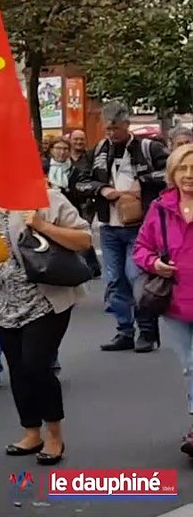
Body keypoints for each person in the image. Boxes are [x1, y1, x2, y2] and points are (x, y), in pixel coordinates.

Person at [0, 182, 91, 467]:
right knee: (19, 369)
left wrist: (42, 225)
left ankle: (54, 435)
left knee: (37, 366)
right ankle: (31, 431)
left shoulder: (44, 196)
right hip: (1, 304)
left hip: (44, 301)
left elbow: (83, 239)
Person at [74, 102, 169, 352]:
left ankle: (147, 331)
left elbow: (170, 172)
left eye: (115, 128)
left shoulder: (148, 147)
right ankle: (124, 330)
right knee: (114, 279)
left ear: (127, 125)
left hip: (141, 226)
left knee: (136, 277)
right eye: (107, 129)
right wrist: (102, 189)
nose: (110, 133)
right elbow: (80, 181)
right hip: (109, 225)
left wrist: (143, 182)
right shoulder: (98, 151)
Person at [133, 143, 193, 456]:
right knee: (190, 366)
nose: (188, 175)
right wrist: (155, 264)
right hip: (177, 303)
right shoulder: (160, 207)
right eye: (182, 169)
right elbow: (141, 247)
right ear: (172, 173)